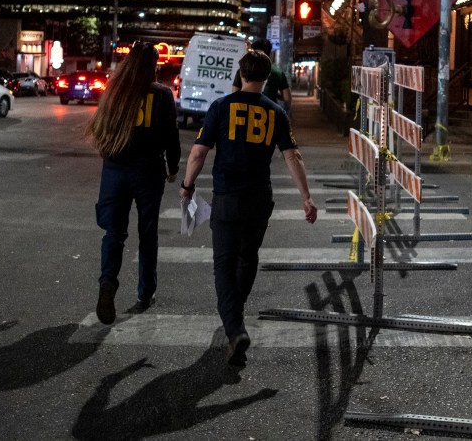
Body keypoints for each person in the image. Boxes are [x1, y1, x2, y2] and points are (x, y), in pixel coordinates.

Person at [180, 49, 317, 366]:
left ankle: (234, 327)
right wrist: (306, 197)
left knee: (224, 265)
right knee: (248, 256)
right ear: (267, 77)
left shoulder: (220, 107)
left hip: (228, 197)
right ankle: (235, 315)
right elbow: (292, 156)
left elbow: (198, 154)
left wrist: (187, 186)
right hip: (259, 198)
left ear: (240, 74)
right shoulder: (275, 112)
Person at [85, 42, 181, 325]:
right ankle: (145, 292)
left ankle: (107, 282)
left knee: (114, 233)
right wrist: (173, 166)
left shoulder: (115, 91)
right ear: (153, 66)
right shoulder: (162, 95)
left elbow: (102, 129)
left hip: (115, 170)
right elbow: (171, 136)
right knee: (147, 233)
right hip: (148, 171)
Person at [231, 38, 292, 114]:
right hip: (270, 113)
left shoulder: (243, 69)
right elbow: (287, 98)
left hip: (246, 112)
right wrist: (274, 92)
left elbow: (234, 93)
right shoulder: (278, 73)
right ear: (269, 54)